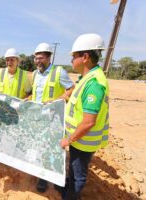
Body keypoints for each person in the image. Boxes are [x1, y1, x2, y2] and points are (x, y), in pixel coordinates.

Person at [60, 33, 109, 199]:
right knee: (72, 170)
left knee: (78, 175)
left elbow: (89, 122)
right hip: (78, 140)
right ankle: (67, 189)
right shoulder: (86, 78)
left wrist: (69, 139)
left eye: (74, 57)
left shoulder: (94, 84)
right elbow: (75, 103)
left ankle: (71, 196)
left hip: (84, 142)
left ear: (85, 57)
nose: (71, 61)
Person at [32, 42, 75, 193]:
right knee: (40, 145)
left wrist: (58, 100)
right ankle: (40, 174)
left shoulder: (59, 72)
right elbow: (36, 94)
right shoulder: (35, 73)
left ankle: (50, 178)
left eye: (41, 58)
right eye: (36, 58)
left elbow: (71, 89)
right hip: (38, 116)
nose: (38, 61)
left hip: (54, 117)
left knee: (52, 147)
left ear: (49, 57)